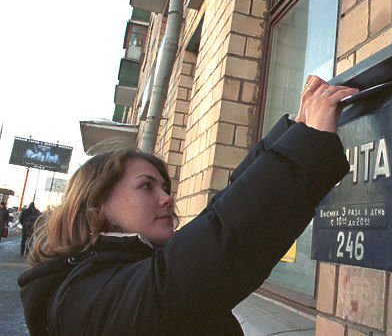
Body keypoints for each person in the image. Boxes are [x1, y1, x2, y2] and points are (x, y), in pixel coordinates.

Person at [17, 76, 358, 336]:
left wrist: (295, 132)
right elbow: (216, 248)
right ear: (97, 202)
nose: (167, 197)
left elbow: (222, 212)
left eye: (165, 186)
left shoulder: (109, 269)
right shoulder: (81, 295)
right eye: (146, 186)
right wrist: (309, 144)